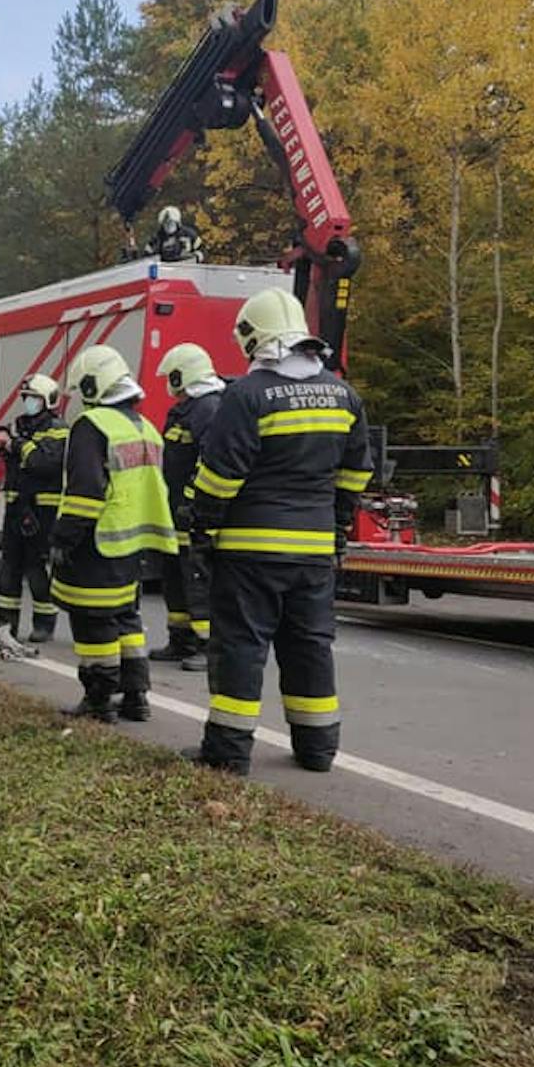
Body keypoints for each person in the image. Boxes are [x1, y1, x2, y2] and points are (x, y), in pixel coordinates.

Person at [184, 288, 372, 777]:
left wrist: (201, 528)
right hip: (313, 554)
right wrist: (334, 524)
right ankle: (317, 749)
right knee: (309, 646)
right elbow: (356, 473)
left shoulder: (246, 396)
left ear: (254, 338)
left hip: (251, 552)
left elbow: (220, 476)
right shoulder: (343, 394)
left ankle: (227, 752)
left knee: (242, 647)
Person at [50, 345, 177, 723]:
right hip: (134, 545)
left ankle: (99, 700)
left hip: (97, 542)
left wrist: (62, 538)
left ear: (93, 384)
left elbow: (86, 493)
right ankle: (136, 697)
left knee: (93, 623)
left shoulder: (92, 426)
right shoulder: (145, 427)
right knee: (126, 619)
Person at [151, 343, 226, 671]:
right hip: (175, 510)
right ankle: (180, 639)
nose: (169, 382)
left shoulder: (208, 409)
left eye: (172, 376)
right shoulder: (185, 409)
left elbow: (210, 461)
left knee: (198, 578)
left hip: (194, 514)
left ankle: (209, 647)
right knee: (175, 576)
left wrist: (195, 503)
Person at [0, 373, 67, 642]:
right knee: (9, 568)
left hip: (42, 511)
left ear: (47, 400)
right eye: (26, 398)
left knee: (37, 568)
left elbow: (43, 463)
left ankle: (44, 623)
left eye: (33, 398)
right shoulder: (21, 426)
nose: (28, 403)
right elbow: (4, 439)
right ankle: (5, 625)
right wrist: (0, 436)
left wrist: (17, 445)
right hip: (16, 507)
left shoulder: (57, 429)